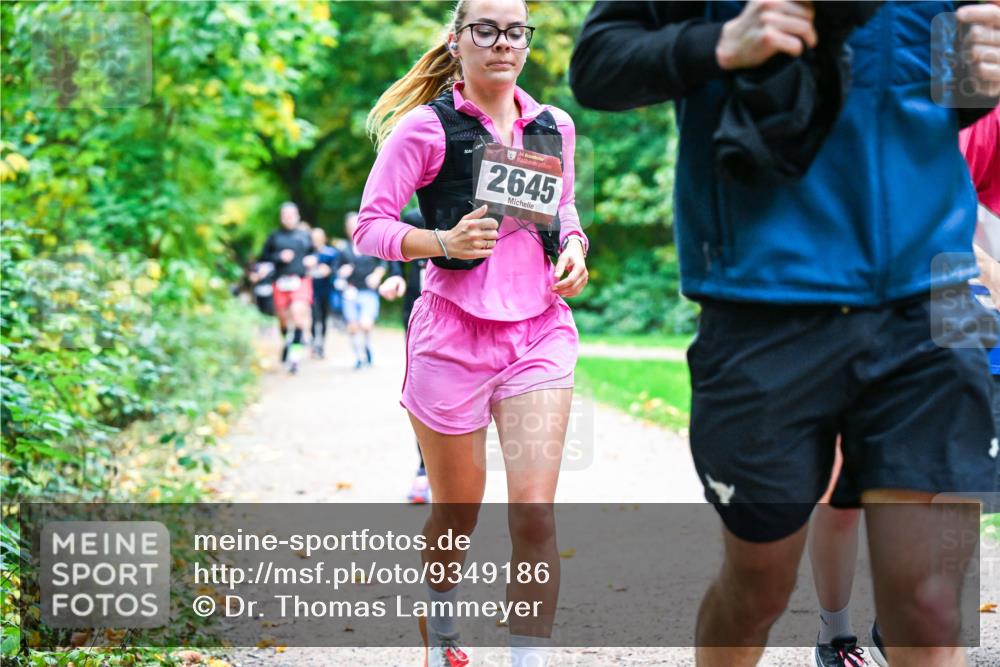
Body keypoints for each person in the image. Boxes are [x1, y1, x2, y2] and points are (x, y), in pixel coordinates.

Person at [570, 2, 1000, 666]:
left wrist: (983, 74)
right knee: (758, 588)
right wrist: (722, 43)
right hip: (763, 302)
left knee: (926, 602)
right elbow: (598, 66)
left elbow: (940, 99)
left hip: (925, 297)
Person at [357, 0, 589, 664]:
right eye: (484, 30)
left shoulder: (553, 125)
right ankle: (444, 636)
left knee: (535, 514)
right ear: (457, 41)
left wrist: (572, 242)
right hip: (452, 338)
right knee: (457, 516)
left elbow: (562, 204)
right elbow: (369, 226)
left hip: (539, 333)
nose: (502, 43)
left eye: (515, 32)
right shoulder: (426, 131)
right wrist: (440, 238)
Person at [380, 209, 432, 504]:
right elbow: (394, 250)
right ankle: (424, 469)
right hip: (419, 314)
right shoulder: (414, 217)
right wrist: (396, 277)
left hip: (473, 314)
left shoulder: (478, 208)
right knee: (424, 394)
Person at [259, 202, 316, 374]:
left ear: (297, 215)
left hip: (300, 281)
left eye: (291, 214)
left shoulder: (305, 236)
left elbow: (314, 253)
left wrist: (313, 260)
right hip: (280, 282)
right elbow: (264, 258)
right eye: (285, 215)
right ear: (281, 217)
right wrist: (279, 257)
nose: (288, 218)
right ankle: (287, 340)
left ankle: (294, 358)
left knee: (298, 316)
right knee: (283, 319)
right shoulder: (274, 237)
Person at [338, 212, 389, 370]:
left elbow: (383, 263)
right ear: (346, 228)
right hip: (350, 291)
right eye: (349, 225)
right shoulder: (343, 249)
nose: (353, 228)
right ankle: (359, 357)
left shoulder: (370, 244)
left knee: (366, 325)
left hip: (368, 291)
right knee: (352, 327)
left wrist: (376, 275)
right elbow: (335, 270)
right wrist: (341, 272)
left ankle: (367, 348)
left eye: (355, 224)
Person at [309, 226, 339, 359]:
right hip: (311, 291)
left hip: (326, 290)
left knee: (324, 318)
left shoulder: (331, 253)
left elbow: (336, 268)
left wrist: (329, 270)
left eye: (318, 237)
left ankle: (321, 345)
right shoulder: (308, 253)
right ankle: (314, 343)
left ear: (324, 238)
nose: (316, 240)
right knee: (314, 318)